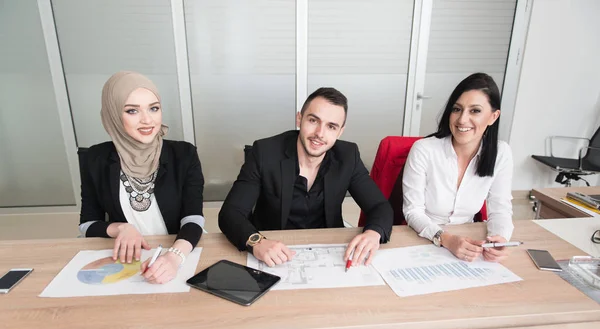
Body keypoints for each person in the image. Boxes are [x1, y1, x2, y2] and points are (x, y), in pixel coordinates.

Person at [218, 87, 393, 267]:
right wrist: (257, 242)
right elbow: (230, 213)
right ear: (299, 118)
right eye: (313, 120)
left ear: (340, 132)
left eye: (331, 126)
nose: (320, 133)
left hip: (329, 253)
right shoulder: (264, 153)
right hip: (273, 251)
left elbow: (379, 206)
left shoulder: (348, 156)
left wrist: (374, 233)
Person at [79, 71, 205, 284]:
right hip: (126, 258)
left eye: (153, 108)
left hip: (178, 248)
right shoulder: (95, 159)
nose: (148, 120)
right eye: (132, 111)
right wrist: (121, 228)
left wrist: (174, 257)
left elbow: (193, 219)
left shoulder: (184, 154)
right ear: (113, 115)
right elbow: (87, 224)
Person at [401, 72, 513, 262]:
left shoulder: (501, 153)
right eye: (457, 109)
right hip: (423, 238)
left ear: (493, 117)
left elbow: (500, 209)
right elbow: (413, 211)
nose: (462, 120)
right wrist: (446, 239)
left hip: (469, 241)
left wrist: (500, 239)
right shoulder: (424, 150)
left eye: (475, 111)